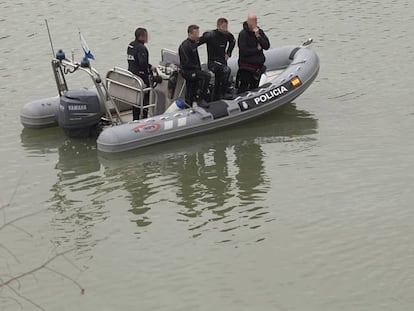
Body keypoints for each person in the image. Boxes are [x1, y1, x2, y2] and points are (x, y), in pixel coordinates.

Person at [199, 18, 235, 100]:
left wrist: (228, 53)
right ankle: (222, 94)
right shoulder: (210, 35)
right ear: (218, 26)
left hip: (222, 61)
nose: (225, 29)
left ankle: (217, 95)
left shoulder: (227, 34)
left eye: (226, 26)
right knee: (226, 70)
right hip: (213, 62)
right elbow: (196, 43)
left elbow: (233, 41)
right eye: (223, 27)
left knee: (220, 78)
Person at [236, 14, 270, 94]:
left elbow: (266, 46)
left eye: (254, 21)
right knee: (244, 86)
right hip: (246, 66)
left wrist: (258, 36)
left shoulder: (260, 32)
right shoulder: (243, 34)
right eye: (251, 22)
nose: (253, 24)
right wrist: (256, 49)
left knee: (254, 87)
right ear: (247, 22)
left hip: (258, 66)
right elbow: (244, 51)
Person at [178, 24, 211, 107]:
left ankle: (190, 102)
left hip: (194, 70)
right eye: (195, 33)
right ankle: (200, 99)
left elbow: (201, 40)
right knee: (206, 76)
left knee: (192, 87)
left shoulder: (194, 42)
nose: (197, 35)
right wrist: (197, 69)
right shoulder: (184, 46)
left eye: (198, 33)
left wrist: (208, 34)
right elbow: (186, 63)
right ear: (190, 34)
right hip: (188, 72)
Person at [127, 27, 155, 120]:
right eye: (146, 36)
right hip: (141, 77)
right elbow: (142, 64)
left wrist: (150, 66)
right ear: (142, 36)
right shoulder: (141, 48)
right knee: (145, 98)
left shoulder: (131, 45)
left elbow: (134, 60)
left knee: (136, 99)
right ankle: (144, 118)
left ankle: (135, 118)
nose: (148, 38)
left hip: (132, 76)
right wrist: (150, 73)